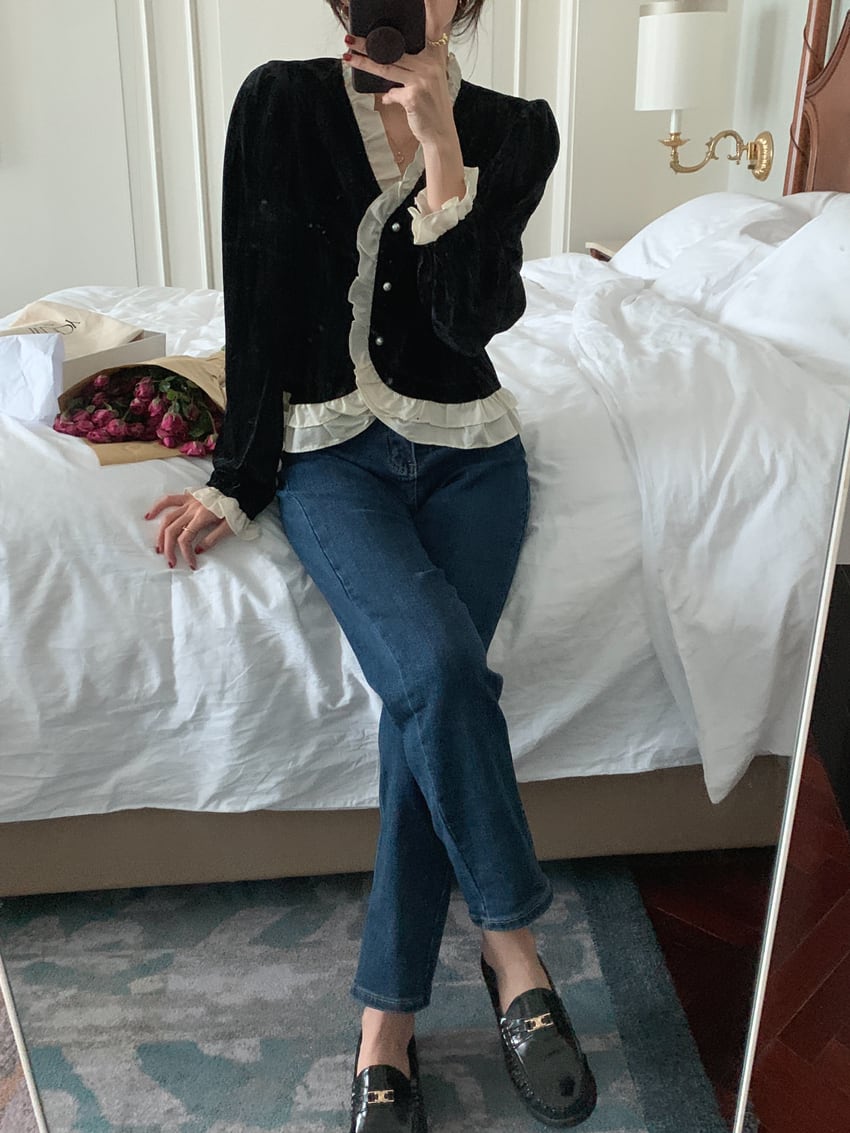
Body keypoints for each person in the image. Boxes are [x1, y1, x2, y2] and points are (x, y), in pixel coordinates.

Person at [145, 1, 596, 1128]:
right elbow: (254, 295)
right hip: (327, 456)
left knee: (423, 709)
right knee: (439, 673)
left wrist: (444, 150)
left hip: (473, 457)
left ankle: (384, 1024)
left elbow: (471, 321)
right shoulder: (278, 102)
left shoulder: (518, 128)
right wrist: (237, 477)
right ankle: (513, 948)